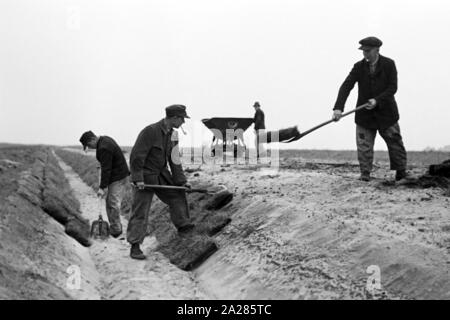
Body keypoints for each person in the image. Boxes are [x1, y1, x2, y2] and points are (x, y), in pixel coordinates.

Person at [332, 36, 408, 182]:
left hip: (387, 114)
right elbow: (346, 86)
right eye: (363, 51)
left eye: (368, 51)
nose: (365, 54)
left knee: (395, 142)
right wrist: (338, 108)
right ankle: (365, 174)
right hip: (364, 116)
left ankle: (401, 173)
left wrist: (377, 100)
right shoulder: (358, 67)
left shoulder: (389, 64)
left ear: (377, 50)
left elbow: (393, 88)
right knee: (364, 146)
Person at [127, 104, 194, 260]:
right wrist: (138, 179)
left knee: (177, 194)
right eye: (182, 118)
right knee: (140, 210)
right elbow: (137, 156)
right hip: (145, 175)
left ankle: (184, 228)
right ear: (174, 118)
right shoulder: (150, 131)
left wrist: (181, 181)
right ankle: (135, 246)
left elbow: (175, 160)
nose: (183, 122)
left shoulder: (174, 135)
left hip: (161, 174)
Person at [79, 130, 130, 237]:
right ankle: (114, 227)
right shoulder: (104, 140)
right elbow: (104, 165)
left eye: (89, 145)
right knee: (110, 202)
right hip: (115, 175)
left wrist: (102, 187)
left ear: (93, 139)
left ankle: (116, 230)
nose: (90, 147)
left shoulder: (103, 147)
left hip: (118, 177)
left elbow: (107, 169)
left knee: (112, 202)